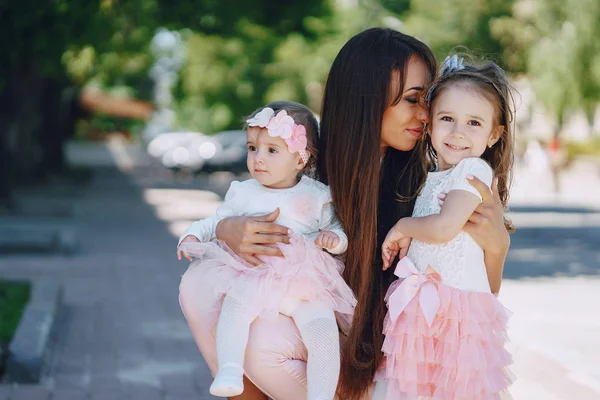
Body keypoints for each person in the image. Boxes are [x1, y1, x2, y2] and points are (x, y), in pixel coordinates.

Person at [178, 28, 511, 400]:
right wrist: (226, 229)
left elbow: (477, 295)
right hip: (329, 336)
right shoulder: (311, 169)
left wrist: (497, 248)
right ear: (367, 99)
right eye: (413, 100)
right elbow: (259, 211)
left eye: (427, 101)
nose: (425, 114)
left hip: (396, 360)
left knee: (262, 346)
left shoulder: (431, 182)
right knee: (205, 290)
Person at [177, 101, 356, 399]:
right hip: (257, 275)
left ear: (300, 159)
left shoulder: (317, 195)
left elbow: (337, 228)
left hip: (304, 282)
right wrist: (192, 234)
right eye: (252, 149)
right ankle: (230, 371)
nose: (258, 158)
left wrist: (335, 240)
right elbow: (216, 221)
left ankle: (321, 394)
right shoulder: (243, 192)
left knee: (321, 330)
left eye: (272, 150)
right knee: (234, 310)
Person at [376, 55, 515, 399]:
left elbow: (443, 228)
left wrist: (403, 227)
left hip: (456, 319)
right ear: (430, 122)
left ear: (495, 134)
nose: (457, 133)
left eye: (473, 123)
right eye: (447, 118)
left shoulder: (474, 171)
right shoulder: (433, 178)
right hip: (424, 311)